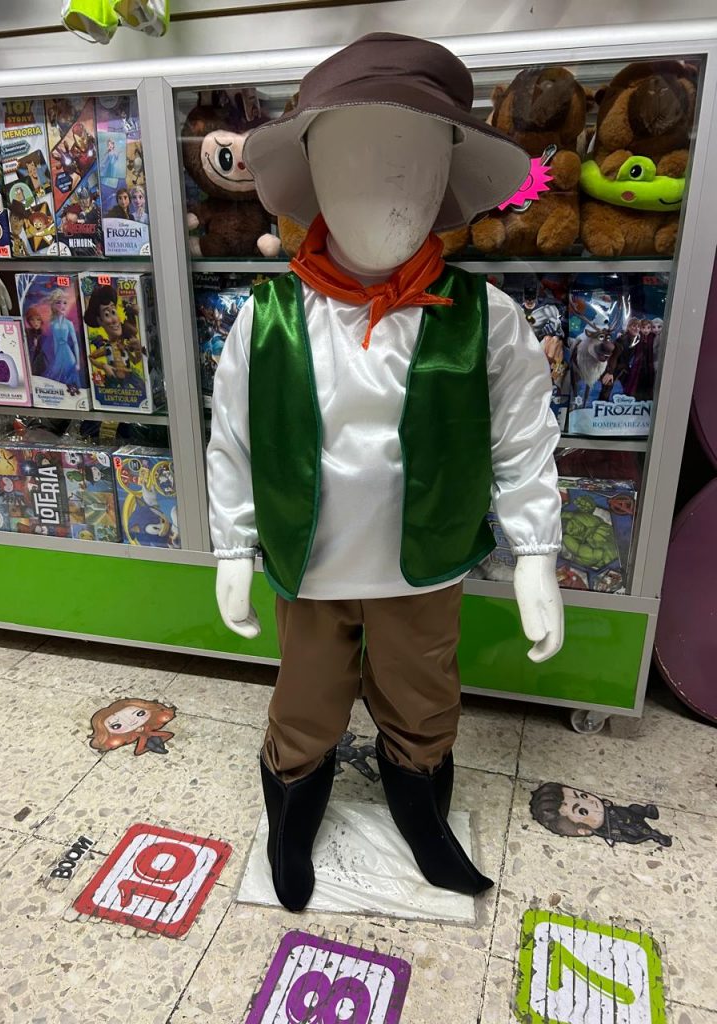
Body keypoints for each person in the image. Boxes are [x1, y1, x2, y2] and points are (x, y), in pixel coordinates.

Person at [208, 33, 563, 912]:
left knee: (423, 695)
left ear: (445, 180)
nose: (388, 189)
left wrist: (536, 553)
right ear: (315, 176)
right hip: (311, 560)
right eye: (357, 164)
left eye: (410, 166)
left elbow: (523, 438)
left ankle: (421, 811)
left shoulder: (489, 317)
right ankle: (292, 817)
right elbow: (235, 441)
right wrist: (232, 549)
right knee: (306, 699)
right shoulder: (267, 318)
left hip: (426, 560)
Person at [530, 782, 672, 847]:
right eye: (583, 811)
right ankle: (652, 835)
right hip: (628, 829)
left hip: (628, 814)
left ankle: (646, 813)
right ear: (584, 830)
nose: (592, 803)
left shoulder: (607, 808)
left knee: (634, 810)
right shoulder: (609, 831)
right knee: (637, 835)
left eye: (584, 796)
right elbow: (627, 838)